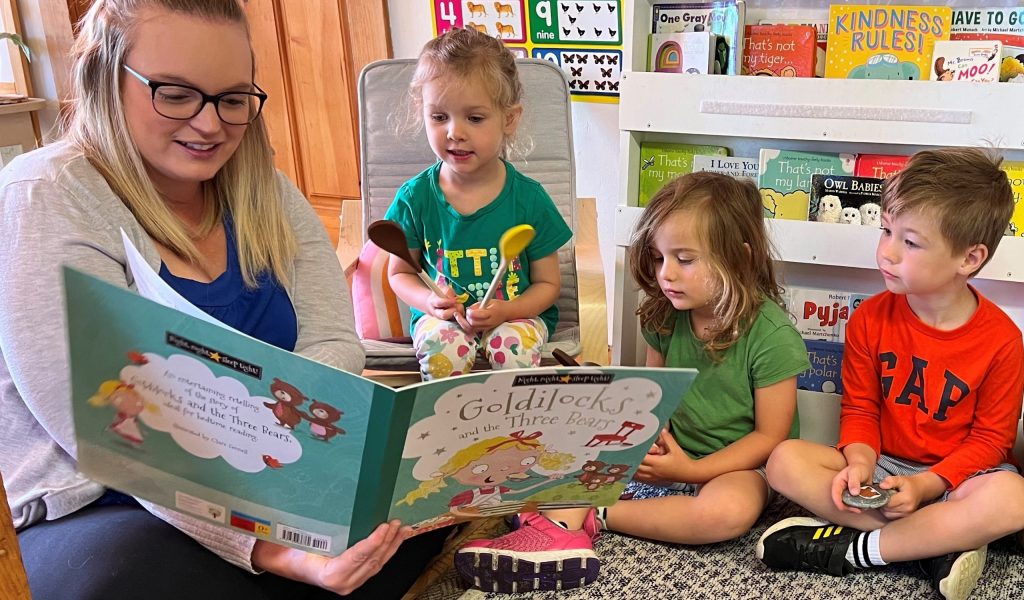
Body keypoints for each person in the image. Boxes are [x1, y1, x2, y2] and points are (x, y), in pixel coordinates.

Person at [0, 1, 447, 598]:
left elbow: (332, 344)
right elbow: (108, 429)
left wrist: (302, 481)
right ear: (106, 79)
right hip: (104, 500)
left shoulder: (268, 190)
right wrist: (268, 547)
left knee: (414, 522)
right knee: (137, 578)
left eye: (233, 99)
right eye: (176, 94)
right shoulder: (46, 196)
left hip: (275, 476)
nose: (211, 125)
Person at [454, 172, 812, 593]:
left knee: (727, 513)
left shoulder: (771, 336)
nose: (666, 275)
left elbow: (770, 437)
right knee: (571, 452)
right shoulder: (664, 314)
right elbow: (653, 396)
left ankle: (593, 517)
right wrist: (650, 438)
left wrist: (692, 470)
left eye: (685, 259)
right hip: (674, 450)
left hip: (743, 465)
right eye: (660, 258)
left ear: (741, 258)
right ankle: (549, 533)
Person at [757, 148, 1024, 600]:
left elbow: (990, 442)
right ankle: (934, 546)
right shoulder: (869, 319)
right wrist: (859, 466)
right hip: (882, 468)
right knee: (783, 462)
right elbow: (861, 408)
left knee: (1013, 500)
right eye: (885, 230)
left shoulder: (1002, 339)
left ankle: (861, 550)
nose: (887, 251)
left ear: (969, 258)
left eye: (911, 241)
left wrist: (925, 486)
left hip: (956, 479)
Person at [384, 27, 572, 380]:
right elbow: (400, 273)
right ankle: (448, 427)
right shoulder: (415, 198)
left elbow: (547, 285)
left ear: (509, 119)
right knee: (444, 350)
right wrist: (429, 304)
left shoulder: (530, 199)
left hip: (516, 317)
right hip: (443, 320)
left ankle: (514, 430)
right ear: (421, 113)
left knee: (511, 351)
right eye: (439, 117)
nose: (455, 132)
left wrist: (508, 311)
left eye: (474, 117)